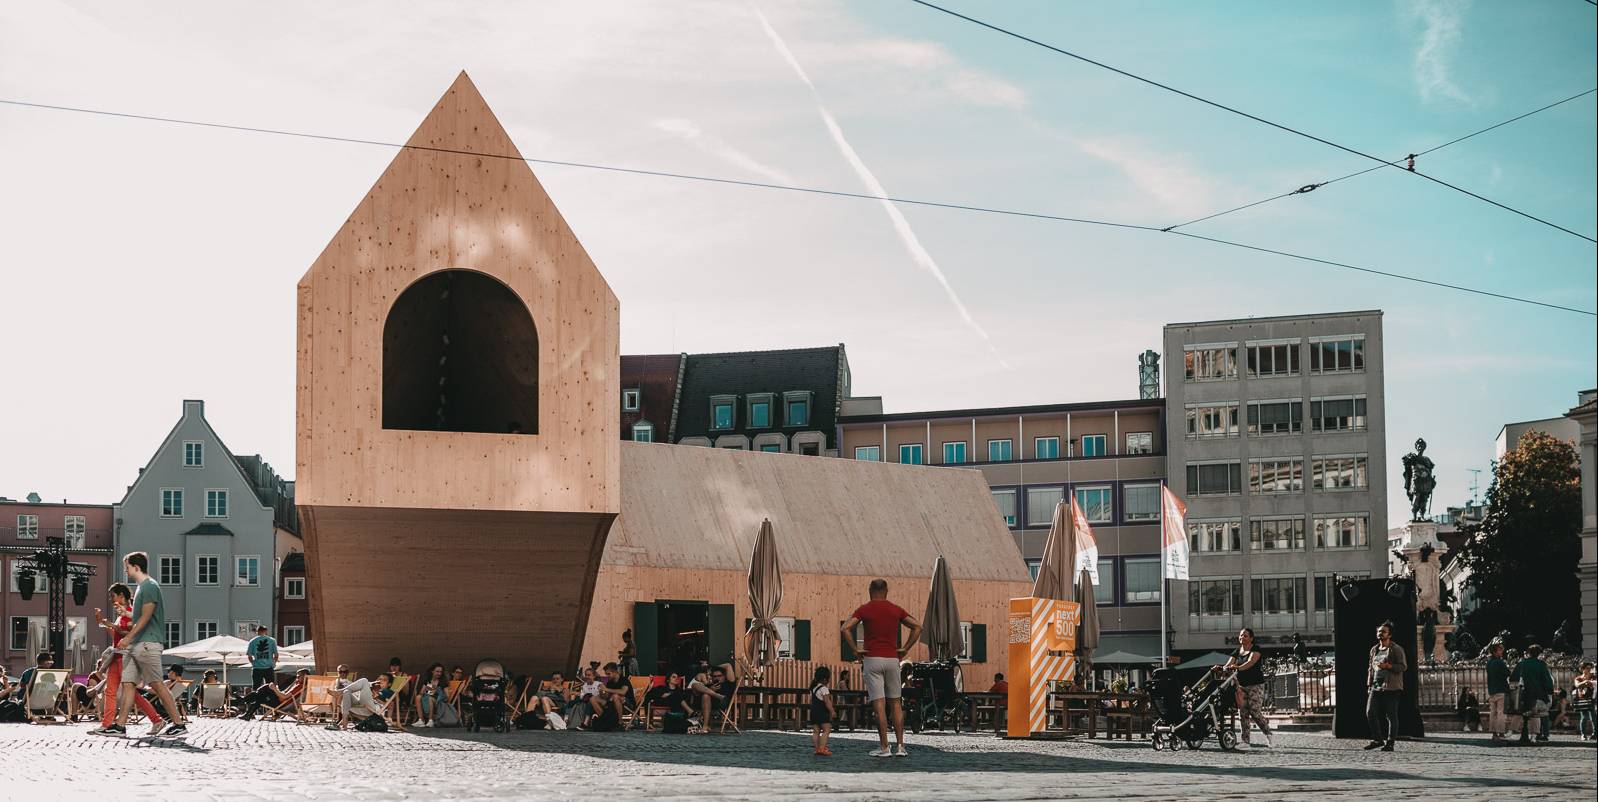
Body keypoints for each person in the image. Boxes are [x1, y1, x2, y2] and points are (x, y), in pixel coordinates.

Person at [107, 552, 188, 737]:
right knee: (128, 684)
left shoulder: (149, 586)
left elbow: (146, 616)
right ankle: (119, 727)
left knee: (157, 684)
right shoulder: (141, 588)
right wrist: (126, 614)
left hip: (147, 643)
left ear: (136, 567)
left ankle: (178, 723)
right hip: (137, 645)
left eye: (127, 567)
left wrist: (128, 637)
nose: (125, 571)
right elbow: (138, 616)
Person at [842, 578, 922, 757]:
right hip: (892, 659)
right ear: (886, 591)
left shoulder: (864, 609)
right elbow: (917, 626)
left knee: (879, 704)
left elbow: (845, 628)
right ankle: (901, 746)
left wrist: (856, 650)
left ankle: (885, 747)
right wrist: (905, 648)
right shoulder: (895, 609)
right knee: (895, 702)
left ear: (870, 591)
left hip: (872, 659)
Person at [90, 583, 163, 734]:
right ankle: (107, 725)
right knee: (110, 691)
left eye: (113, 596)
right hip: (116, 655)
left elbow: (131, 634)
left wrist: (113, 627)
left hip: (126, 657)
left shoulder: (131, 612)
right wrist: (102, 622)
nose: (111, 599)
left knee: (132, 694)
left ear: (121, 596)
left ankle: (156, 719)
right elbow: (116, 636)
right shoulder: (120, 615)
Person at [1221, 627, 1272, 748]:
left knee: (1254, 711)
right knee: (1242, 712)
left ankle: (1268, 733)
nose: (1242, 637)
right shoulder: (1237, 651)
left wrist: (1237, 668)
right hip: (1241, 686)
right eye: (1241, 635)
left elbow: (1250, 662)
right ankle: (1245, 741)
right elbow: (1228, 665)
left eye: (1245, 635)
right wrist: (1223, 668)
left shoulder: (1256, 649)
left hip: (1255, 684)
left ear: (1251, 638)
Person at [1363, 621, 1406, 752]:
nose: (1380, 634)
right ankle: (1377, 739)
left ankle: (1390, 742)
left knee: (1391, 715)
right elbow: (1371, 668)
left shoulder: (1395, 649)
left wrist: (1389, 666)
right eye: (1378, 631)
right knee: (1370, 712)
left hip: (1391, 686)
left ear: (1390, 634)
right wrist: (1369, 683)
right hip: (1376, 685)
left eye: (1383, 632)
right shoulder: (1374, 649)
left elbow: (1403, 666)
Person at [1512, 643, 1555, 744]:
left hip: (1525, 693)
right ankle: (1534, 736)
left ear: (1528, 652)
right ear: (1539, 654)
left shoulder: (1522, 663)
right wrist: (1549, 691)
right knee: (1536, 715)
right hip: (1538, 693)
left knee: (1523, 714)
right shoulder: (1541, 664)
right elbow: (1547, 680)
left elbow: (1513, 677)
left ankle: (1518, 733)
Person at [688, 662, 737, 733]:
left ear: (724, 676)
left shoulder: (728, 683)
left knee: (706, 695)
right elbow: (694, 687)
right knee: (695, 685)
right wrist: (711, 690)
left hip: (721, 703)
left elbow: (728, 665)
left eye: (719, 676)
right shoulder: (711, 684)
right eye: (715, 676)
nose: (717, 678)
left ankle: (705, 726)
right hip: (705, 703)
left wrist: (711, 668)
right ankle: (718, 696)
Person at [1485, 642, 1511, 742]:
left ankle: (1494, 732)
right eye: (1500, 650)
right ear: (1496, 651)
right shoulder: (1500, 662)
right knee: (1501, 712)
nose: (1502, 652)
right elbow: (1507, 673)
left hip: (1492, 690)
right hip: (1501, 689)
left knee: (1493, 713)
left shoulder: (1489, 662)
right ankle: (1501, 732)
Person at [245, 625, 278, 693]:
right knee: (271, 687)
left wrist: (253, 663)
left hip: (257, 668)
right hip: (269, 667)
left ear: (257, 632)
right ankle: (271, 702)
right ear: (266, 631)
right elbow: (276, 655)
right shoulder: (272, 640)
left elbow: (249, 656)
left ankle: (256, 701)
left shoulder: (252, 641)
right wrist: (274, 663)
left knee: (256, 688)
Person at [810, 665, 835, 757]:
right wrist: (832, 711)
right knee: (826, 729)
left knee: (816, 731)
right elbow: (827, 702)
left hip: (813, 712)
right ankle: (822, 748)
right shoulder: (824, 689)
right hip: (822, 712)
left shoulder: (813, 688)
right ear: (825, 679)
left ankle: (817, 749)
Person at [1573, 661, 1596, 740]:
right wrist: (1585, 682)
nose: (1589, 670)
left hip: (1592, 699)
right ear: (1582, 669)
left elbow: (1594, 684)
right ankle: (1583, 734)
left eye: (1590, 668)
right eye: (1587, 668)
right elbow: (1577, 685)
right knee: (1584, 717)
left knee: (1593, 717)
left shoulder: (1594, 677)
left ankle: (1595, 734)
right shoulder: (1578, 678)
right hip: (1582, 699)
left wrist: (1587, 683)